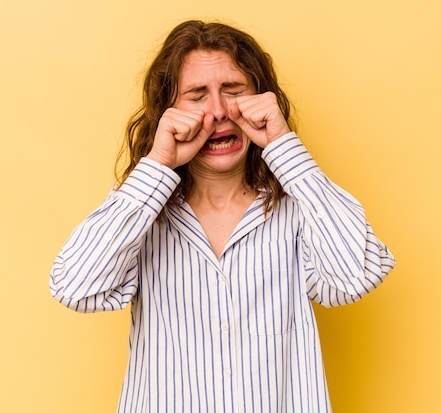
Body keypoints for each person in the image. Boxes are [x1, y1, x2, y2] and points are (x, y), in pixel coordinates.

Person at [50, 20, 396, 413]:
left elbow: (357, 275)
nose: (216, 112)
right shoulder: (141, 215)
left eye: (232, 92)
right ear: (168, 112)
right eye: (197, 96)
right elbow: (75, 288)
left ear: (262, 100)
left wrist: (285, 148)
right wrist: (158, 164)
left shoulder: (300, 210)